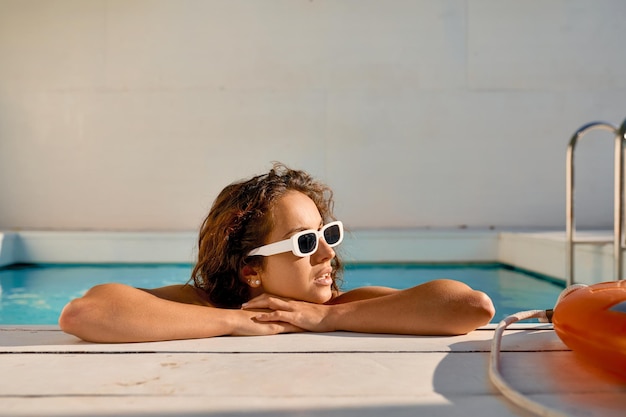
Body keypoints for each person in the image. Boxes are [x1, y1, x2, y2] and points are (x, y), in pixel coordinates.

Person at [59, 163, 495, 343]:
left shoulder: (343, 307)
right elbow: (85, 313)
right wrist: (236, 320)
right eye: (305, 242)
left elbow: (472, 307)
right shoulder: (204, 305)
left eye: (328, 235)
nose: (327, 253)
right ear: (251, 269)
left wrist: (327, 319)